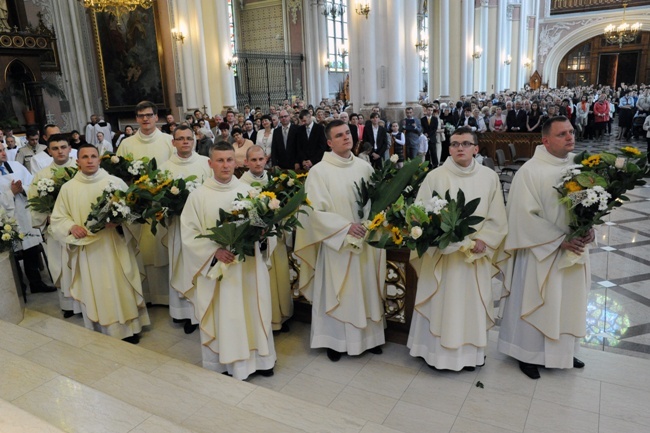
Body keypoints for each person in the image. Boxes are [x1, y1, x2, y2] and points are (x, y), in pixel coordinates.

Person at [497, 116, 594, 379]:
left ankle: (563, 352)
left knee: (567, 301)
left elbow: (592, 203)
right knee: (539, 301)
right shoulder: (531, 171)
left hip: (574, 249)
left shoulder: (579, 167)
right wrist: (559, 240)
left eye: (571, 132)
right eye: (562, 134)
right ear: (546, 140)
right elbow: (521, 216)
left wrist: (590, 227)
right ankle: (526, 354)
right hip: (541, 250)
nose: (570, 137)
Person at [407, 127, 507, 371]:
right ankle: (434, 354)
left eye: (465, 143)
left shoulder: (488, 177)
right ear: (448, 148)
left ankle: (471, 355)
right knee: (442, 301)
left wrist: (484, 240)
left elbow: (498, 215)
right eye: (454, 144)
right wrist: (437, 236)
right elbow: (419, 213)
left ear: (475, 148)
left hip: (476, 255)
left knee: (470, 304)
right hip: (443, 256)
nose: (459, 148)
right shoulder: (435, 176)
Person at [180, 142, 276, 380]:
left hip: (248, 268)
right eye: (220, 160)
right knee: (227, 315)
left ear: (236, 162)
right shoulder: (198, 196)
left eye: (229, 160)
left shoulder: (249, 193)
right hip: (220, 272)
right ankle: (224, 362)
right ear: (210, 163)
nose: (225, 165)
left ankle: (261, 360)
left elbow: (263, 226)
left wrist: (263, 235)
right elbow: (189, 235)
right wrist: (214, 252)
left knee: (253, 310)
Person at [294, 119, 386, 362]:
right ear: (329, 142)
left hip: (364, 240)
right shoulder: (318, 172)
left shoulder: (364, 167)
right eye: (339, 135)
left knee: (365, 289)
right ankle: (335, 341)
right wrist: (345, 227)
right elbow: (314, 212)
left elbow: (375, 201)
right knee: (340, 291)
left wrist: (371, 223)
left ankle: (370, 338)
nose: (346, 138)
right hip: (337, 243)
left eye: (348, 133)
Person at [51, 144, 149, 343]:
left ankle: (130, 328)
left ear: (99, 159)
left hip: (115, 245)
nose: (89, 160)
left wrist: (120, 222)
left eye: (93, 156)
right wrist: (71, 226)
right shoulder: (69, 188)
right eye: (84, 157)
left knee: (121, 286)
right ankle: (102, 329)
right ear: (77, 161)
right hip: (89, 250)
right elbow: (57, 218)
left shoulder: (115, 182)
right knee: (98, 289)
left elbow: (133, 214)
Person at [117, 100, 174, 305]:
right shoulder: (127, 144)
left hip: (163, 205)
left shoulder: (169, 141)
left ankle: (169, 297)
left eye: (149, 115)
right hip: (138, 205)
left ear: (156, 117)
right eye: (141, 116)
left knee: (164, 247)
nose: (145, 119)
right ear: (137, 118)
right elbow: (119, 176)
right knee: (143, 248)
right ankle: (147, 295)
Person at [159, 125, 212, 334]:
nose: (185, 142)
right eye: (180, 139)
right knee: (181, 266)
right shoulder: (165, 168)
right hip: (178, 226)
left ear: (195, 140)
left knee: (200, 266)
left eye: (189, 138)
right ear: (173, 143)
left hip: (202, 227)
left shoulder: (206, 164)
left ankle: (202, 310)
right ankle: (185, 313)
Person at [240, 145, 293, 332]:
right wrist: (258, 227)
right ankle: (263, 321)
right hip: (256, 242)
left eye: (261, 159)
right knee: (262, 281)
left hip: (275, 238)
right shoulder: (241, 184)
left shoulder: (274, 181)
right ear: (246, 162)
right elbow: (241, 210)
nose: (257, 163)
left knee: (278, 278)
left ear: (266, 160)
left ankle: (278, 318)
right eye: (253, 160)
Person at [28, 134, 79, 318]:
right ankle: (68, 305)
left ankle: (87, 301)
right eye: (55, 148)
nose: (60, 151)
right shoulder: (41, 176)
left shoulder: (80, 170)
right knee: (61, 265)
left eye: (63, 147)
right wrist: (47, 217)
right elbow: (34, 202)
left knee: (81, 266)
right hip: (56, 231)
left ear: (69, 148)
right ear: (49, 151)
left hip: (79, 228)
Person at [0, 142, 54, 295]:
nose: (3, 153)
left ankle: (36, 283)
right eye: (0, 151)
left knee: (30, 249)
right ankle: (18, 288)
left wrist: (22, 189)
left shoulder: (16, 166)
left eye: (3, 150)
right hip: (6, 220)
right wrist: (10, 193)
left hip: (24, 214)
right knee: (12, 253)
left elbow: (33, 185)